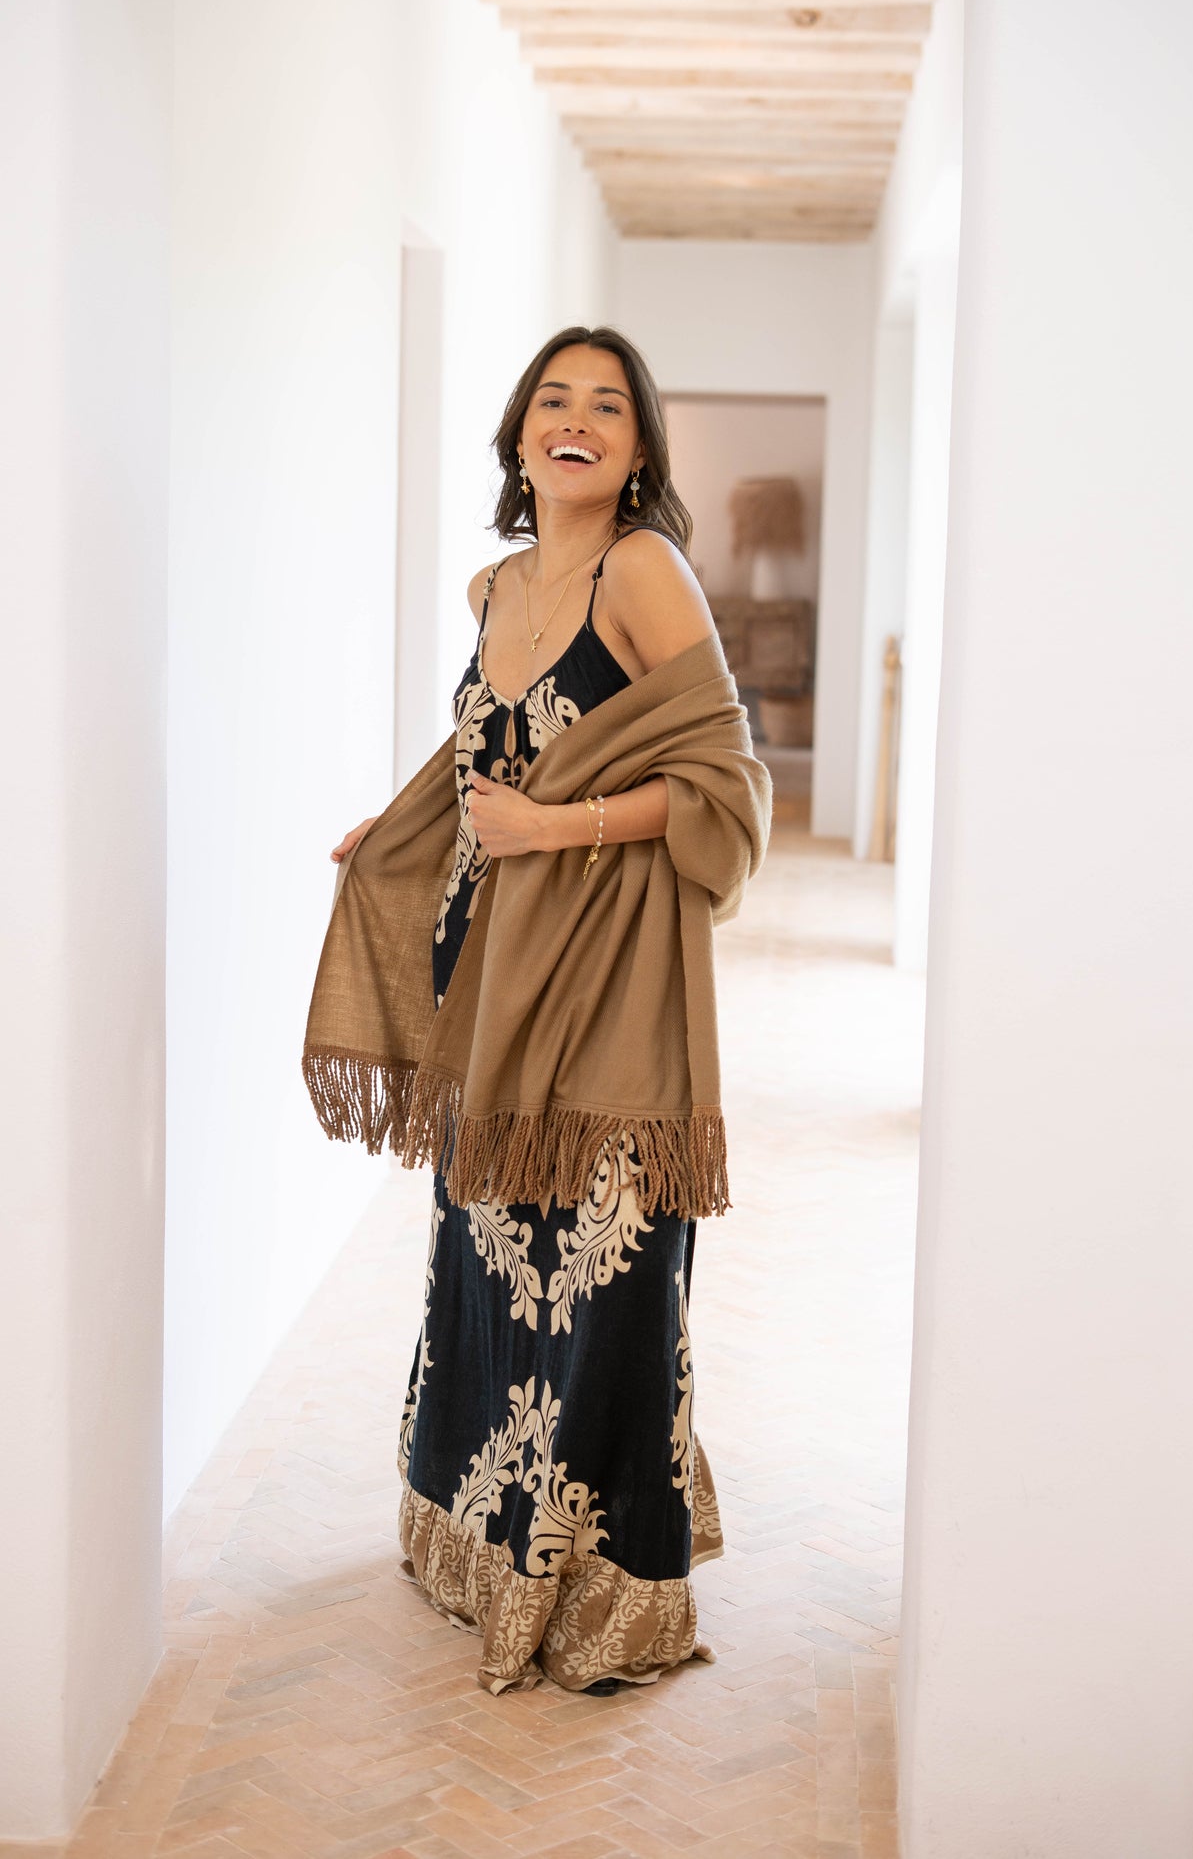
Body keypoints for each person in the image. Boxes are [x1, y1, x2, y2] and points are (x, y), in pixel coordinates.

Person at [313, 324, 769, 1694]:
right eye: (553, 400)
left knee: (606, 1271)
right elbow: (487, 752)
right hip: (493, 975)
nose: (577, 420)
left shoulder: (644, 572)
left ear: (638, 451)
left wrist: (558, 828)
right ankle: (479, 1548)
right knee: (491, 1252)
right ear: (520, 436)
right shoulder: (497, 583)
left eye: (608, 406)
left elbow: (727, 785)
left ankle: (605, 1595)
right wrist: (402, 829)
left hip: (611, 974)